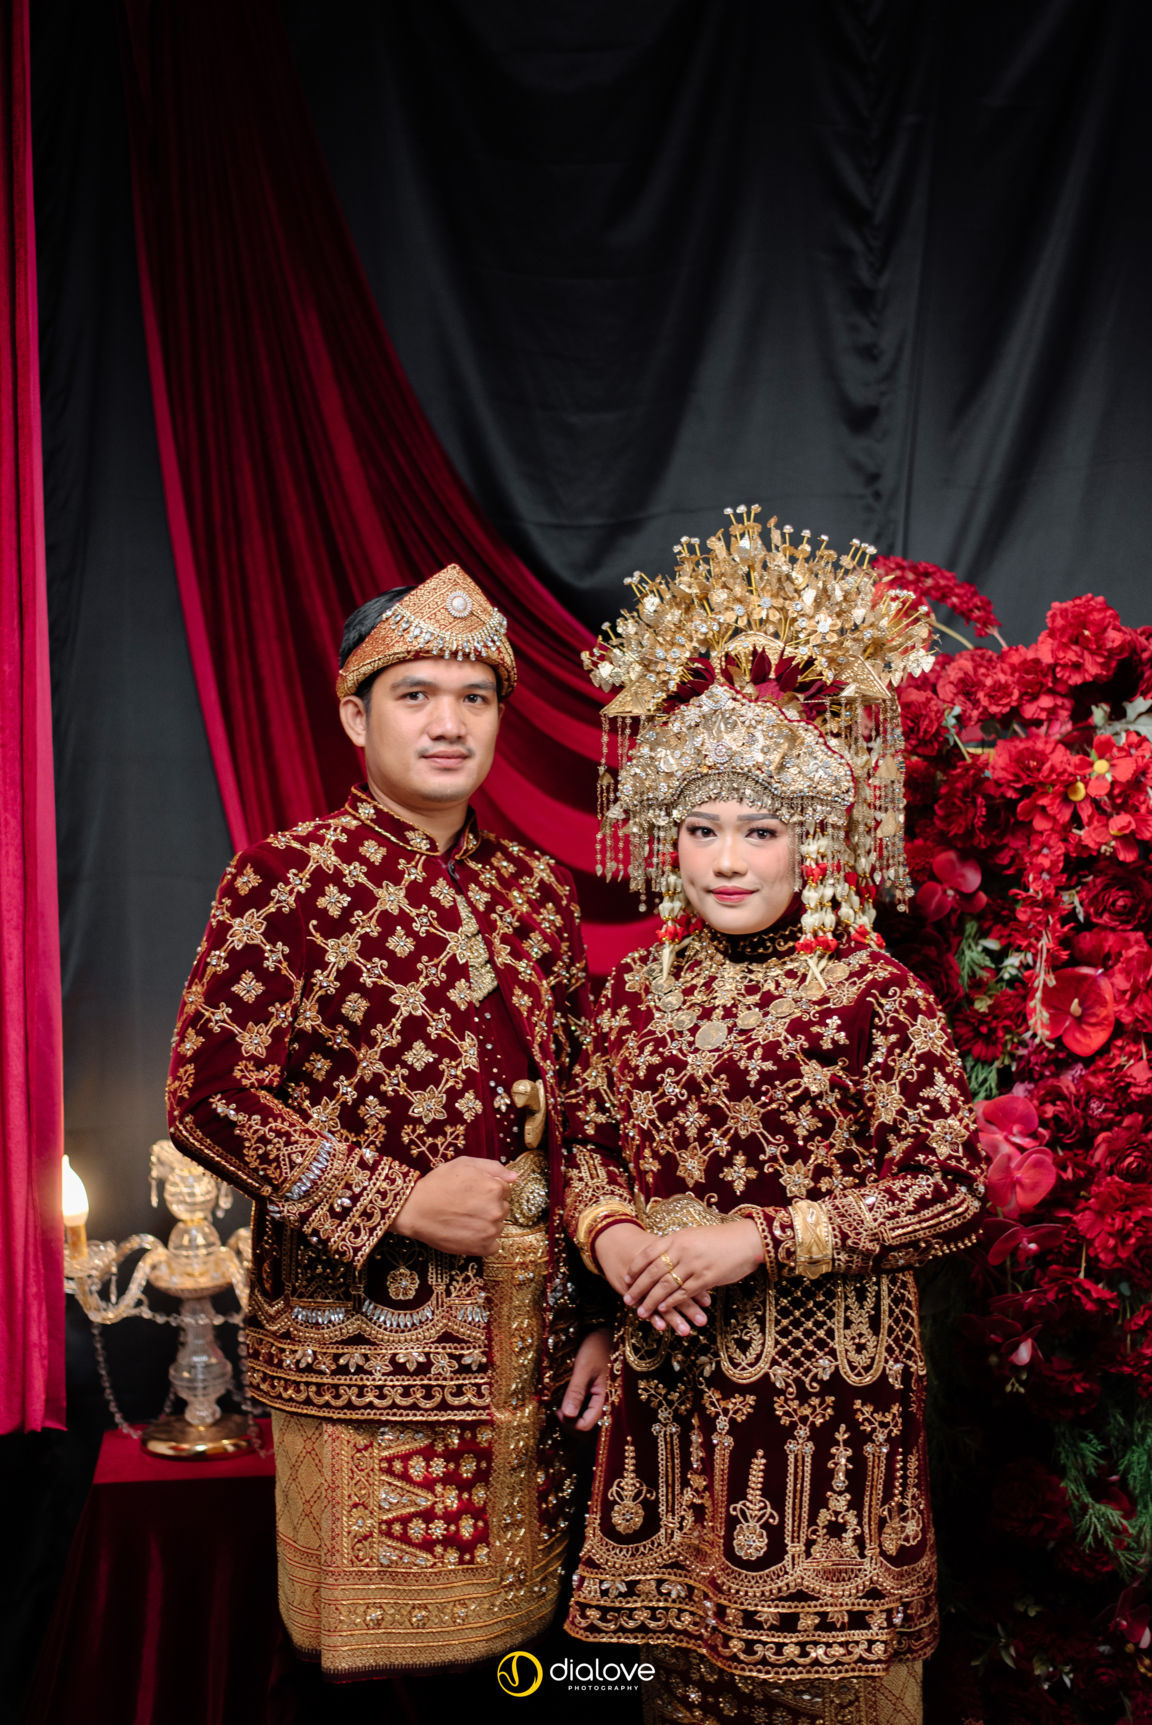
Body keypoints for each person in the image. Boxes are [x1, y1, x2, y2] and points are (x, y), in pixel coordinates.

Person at [559, 509, 985, 1724]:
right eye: (702, 829)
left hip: (826, 1406)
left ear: (818, 839)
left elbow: (950, 1191)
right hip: (667, 1379)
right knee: (679, 1689)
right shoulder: (634, 991)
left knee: (823, 1691)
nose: (728, 860)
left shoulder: (872, 995)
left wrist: (760, 1238)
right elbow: (587, 1145)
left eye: (761, 829)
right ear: (666, 840)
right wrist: (613, 1243)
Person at [167, 564, 610, 1681]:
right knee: (390, 1679)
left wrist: (606, 1313)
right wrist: (397, 1198)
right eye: (415, 695)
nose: (449, 723)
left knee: (539, 1667)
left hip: (541, 1346)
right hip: (368, 1354)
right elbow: (207, 1096)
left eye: (475, 698)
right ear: (355, 718)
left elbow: (589, 1106)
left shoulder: (536, 888)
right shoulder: (286, 877)